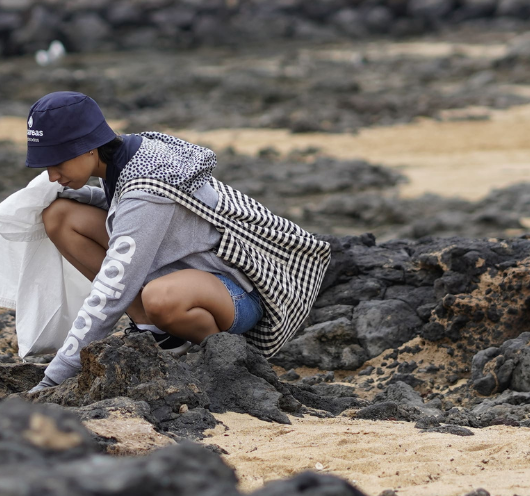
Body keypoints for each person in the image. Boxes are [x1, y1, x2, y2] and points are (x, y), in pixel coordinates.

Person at [24, 91, 331, 394]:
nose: (52, 175)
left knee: (162, 298)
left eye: (57, 162)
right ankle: (154, 332)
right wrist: (84, 195)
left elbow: (111, 290)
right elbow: (127, 206)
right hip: (184, 271)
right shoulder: (124, 152)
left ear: (87, 147)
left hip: (236, 290)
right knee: (61, 216)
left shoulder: (148, 184)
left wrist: (55, 376)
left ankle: (219, 360)